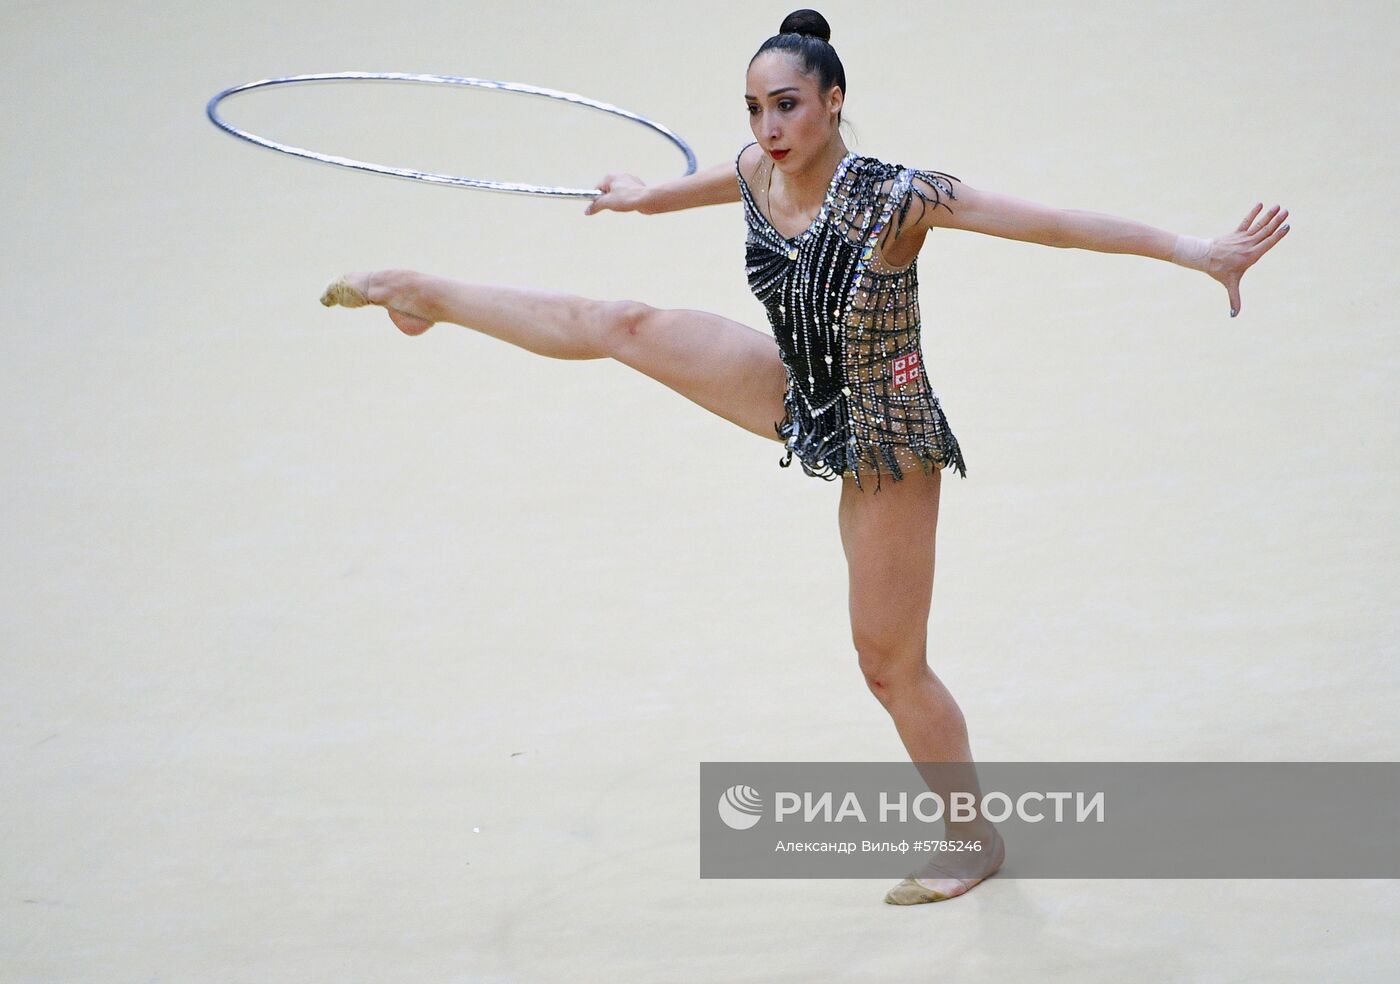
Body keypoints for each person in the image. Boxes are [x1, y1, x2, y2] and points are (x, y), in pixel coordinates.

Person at [320, 8, 1289, 905]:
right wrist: (637, 195)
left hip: (883, 433)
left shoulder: (901, 197)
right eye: (753, 108)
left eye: (786, 105)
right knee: (621, 321)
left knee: (887, 665)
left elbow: (1054, 227)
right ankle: (422, 295)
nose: (769, 126)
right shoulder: (755, 169)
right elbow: (687, 192)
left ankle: (971, 840)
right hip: (793, 387)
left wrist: (1194, 250)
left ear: (833, 102)